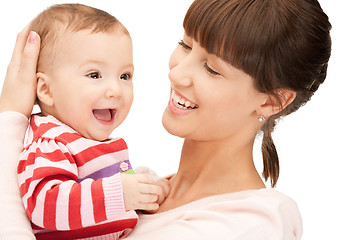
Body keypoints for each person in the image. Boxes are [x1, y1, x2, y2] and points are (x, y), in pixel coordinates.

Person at [0, 0, 331, 239]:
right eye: (184, 45)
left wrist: (9, 121)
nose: (177, 73)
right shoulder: (148, 188)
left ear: (272, 100)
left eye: (212, 69)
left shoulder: (249, 225)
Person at [14, 4, 169, 240]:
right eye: (94, 75)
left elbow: (100, 190)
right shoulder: (51, 143)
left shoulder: (89, 141)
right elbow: (45, 205)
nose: (116, 89)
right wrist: (122, 193)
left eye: (125, 76)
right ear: (46, 90)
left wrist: (144, 188)